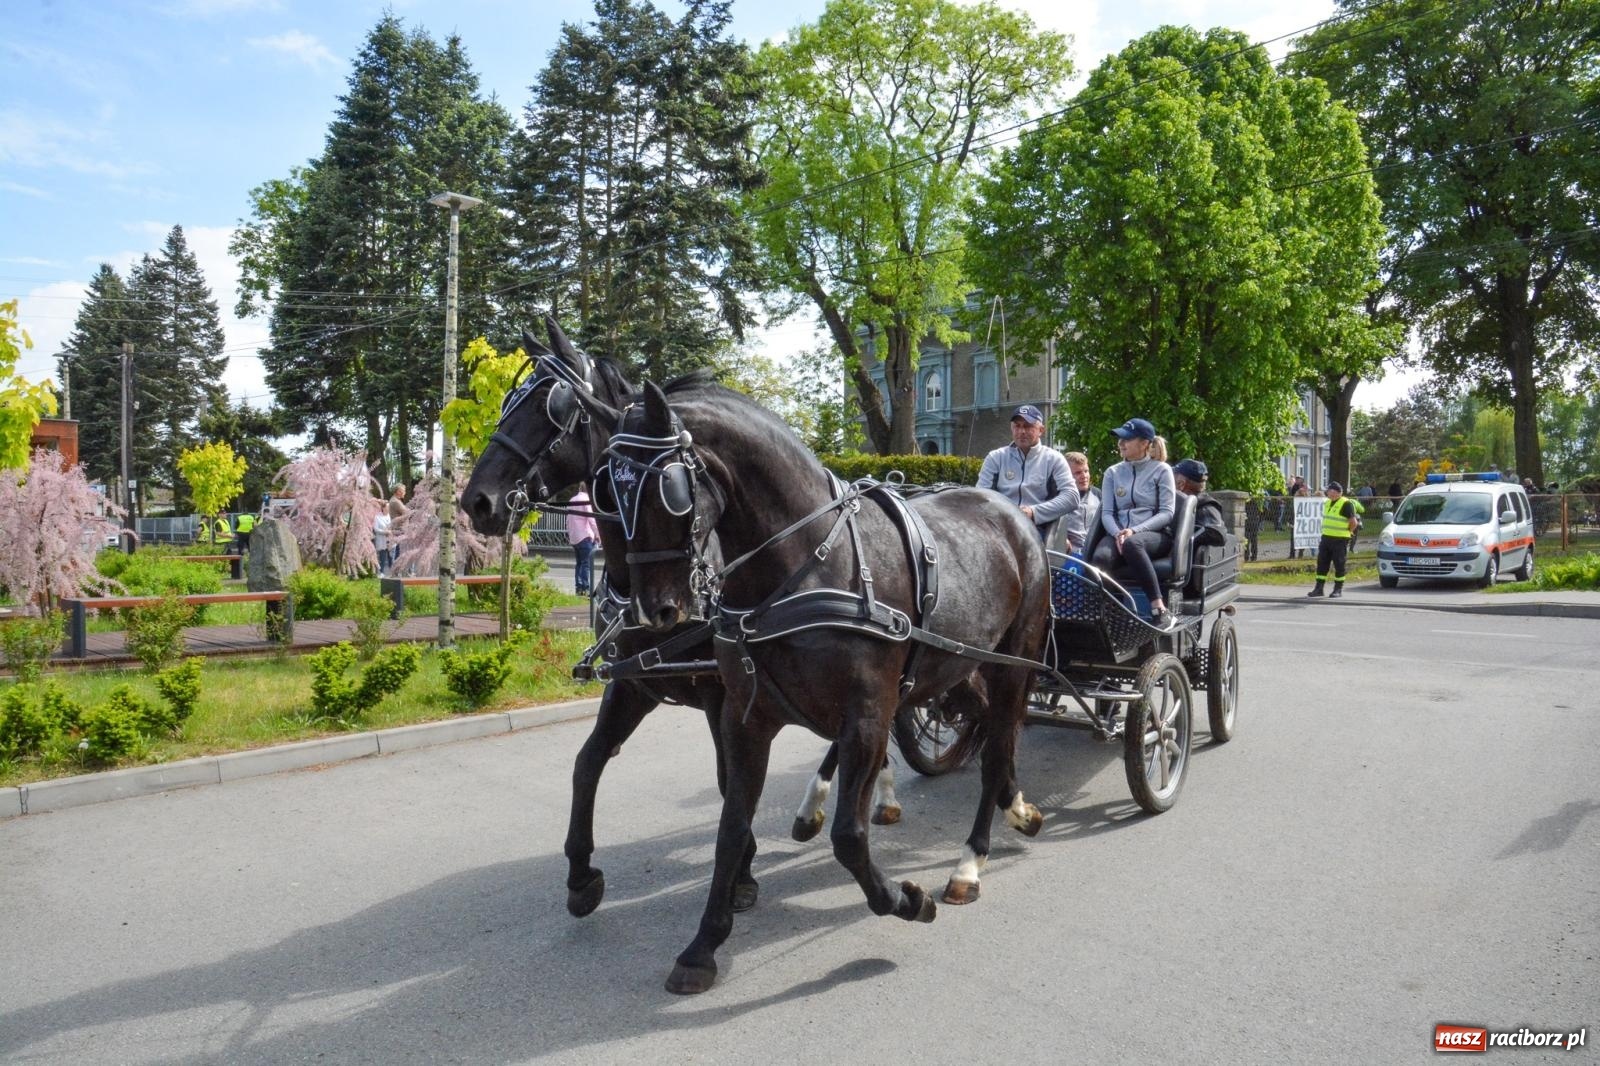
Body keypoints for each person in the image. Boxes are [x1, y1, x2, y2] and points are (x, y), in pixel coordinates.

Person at [1091, 417, 1177, 626]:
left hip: (1154, 534)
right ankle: (1110, 615)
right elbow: (1107, 513)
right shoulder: (1112, 472)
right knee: (1100, 558)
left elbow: (1167, 513)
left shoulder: (1161, 470)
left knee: (1132, 544)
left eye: (1127, 439)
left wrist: (1133, 531)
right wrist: (1118, 533)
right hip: (1118, 533)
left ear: (1145, 444)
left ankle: (1159, 609)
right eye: (1120, 438)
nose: (1121, 443)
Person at [976, 404, 1079, 543]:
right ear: (1011, 428)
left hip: (1038, 527)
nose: (1021, 431)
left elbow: (1072, 496)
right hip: (999, 525)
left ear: (1041, 430)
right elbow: (980, 496)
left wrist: (1033, 512)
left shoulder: (1054, 459)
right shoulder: (995, 457)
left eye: (1028, 426)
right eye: (1017, 426)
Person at [1308, 481, 1359, 599]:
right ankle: (1319, 588)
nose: (1327, 492)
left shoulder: (1346, 503)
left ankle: (1338, 589)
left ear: (1336, 492)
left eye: (1329, 490)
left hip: (1340, 539)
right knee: (1322, 563)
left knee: (1339, 564)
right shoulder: (1328, 502)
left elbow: (1354, 522)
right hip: (1326, 538)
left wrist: (1348, 532)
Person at [1172, 458, 1227, 548]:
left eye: (1174, 476)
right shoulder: (1178, 502)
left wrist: (1184, 533)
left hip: (1185, 559)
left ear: (1181, 484)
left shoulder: (1205, 506)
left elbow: (1218, 534)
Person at [1061, 451, 1100, 554]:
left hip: (1093, 551)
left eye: (1086, 471)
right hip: (1068, 552)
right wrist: (1061, 539)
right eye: (1078, 473)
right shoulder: (1058, 497)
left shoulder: (1098, 495)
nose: (1084, 476)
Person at [567, 482, 599, 596]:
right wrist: (598, 534)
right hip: (585, 536)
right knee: (586, 564)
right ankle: (585, 588)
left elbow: (569, 519)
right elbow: (591, 519)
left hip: (575, 537)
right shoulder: (586, 500)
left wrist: (570, 534)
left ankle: (578, 588)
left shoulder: (572, 500)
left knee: (579, 563)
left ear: (580, 488)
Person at [373, 509, 392, 576]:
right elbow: (375, 528)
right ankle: (381, 572)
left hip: (390, 539)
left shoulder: (390, 516)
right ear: (383, 508)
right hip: (382, 539)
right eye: (387, 507)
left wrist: (390, 531)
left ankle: (392, 572)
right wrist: (384, 531)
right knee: (382, 556)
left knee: (391, 556)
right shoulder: (377, 517)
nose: (388, 508)